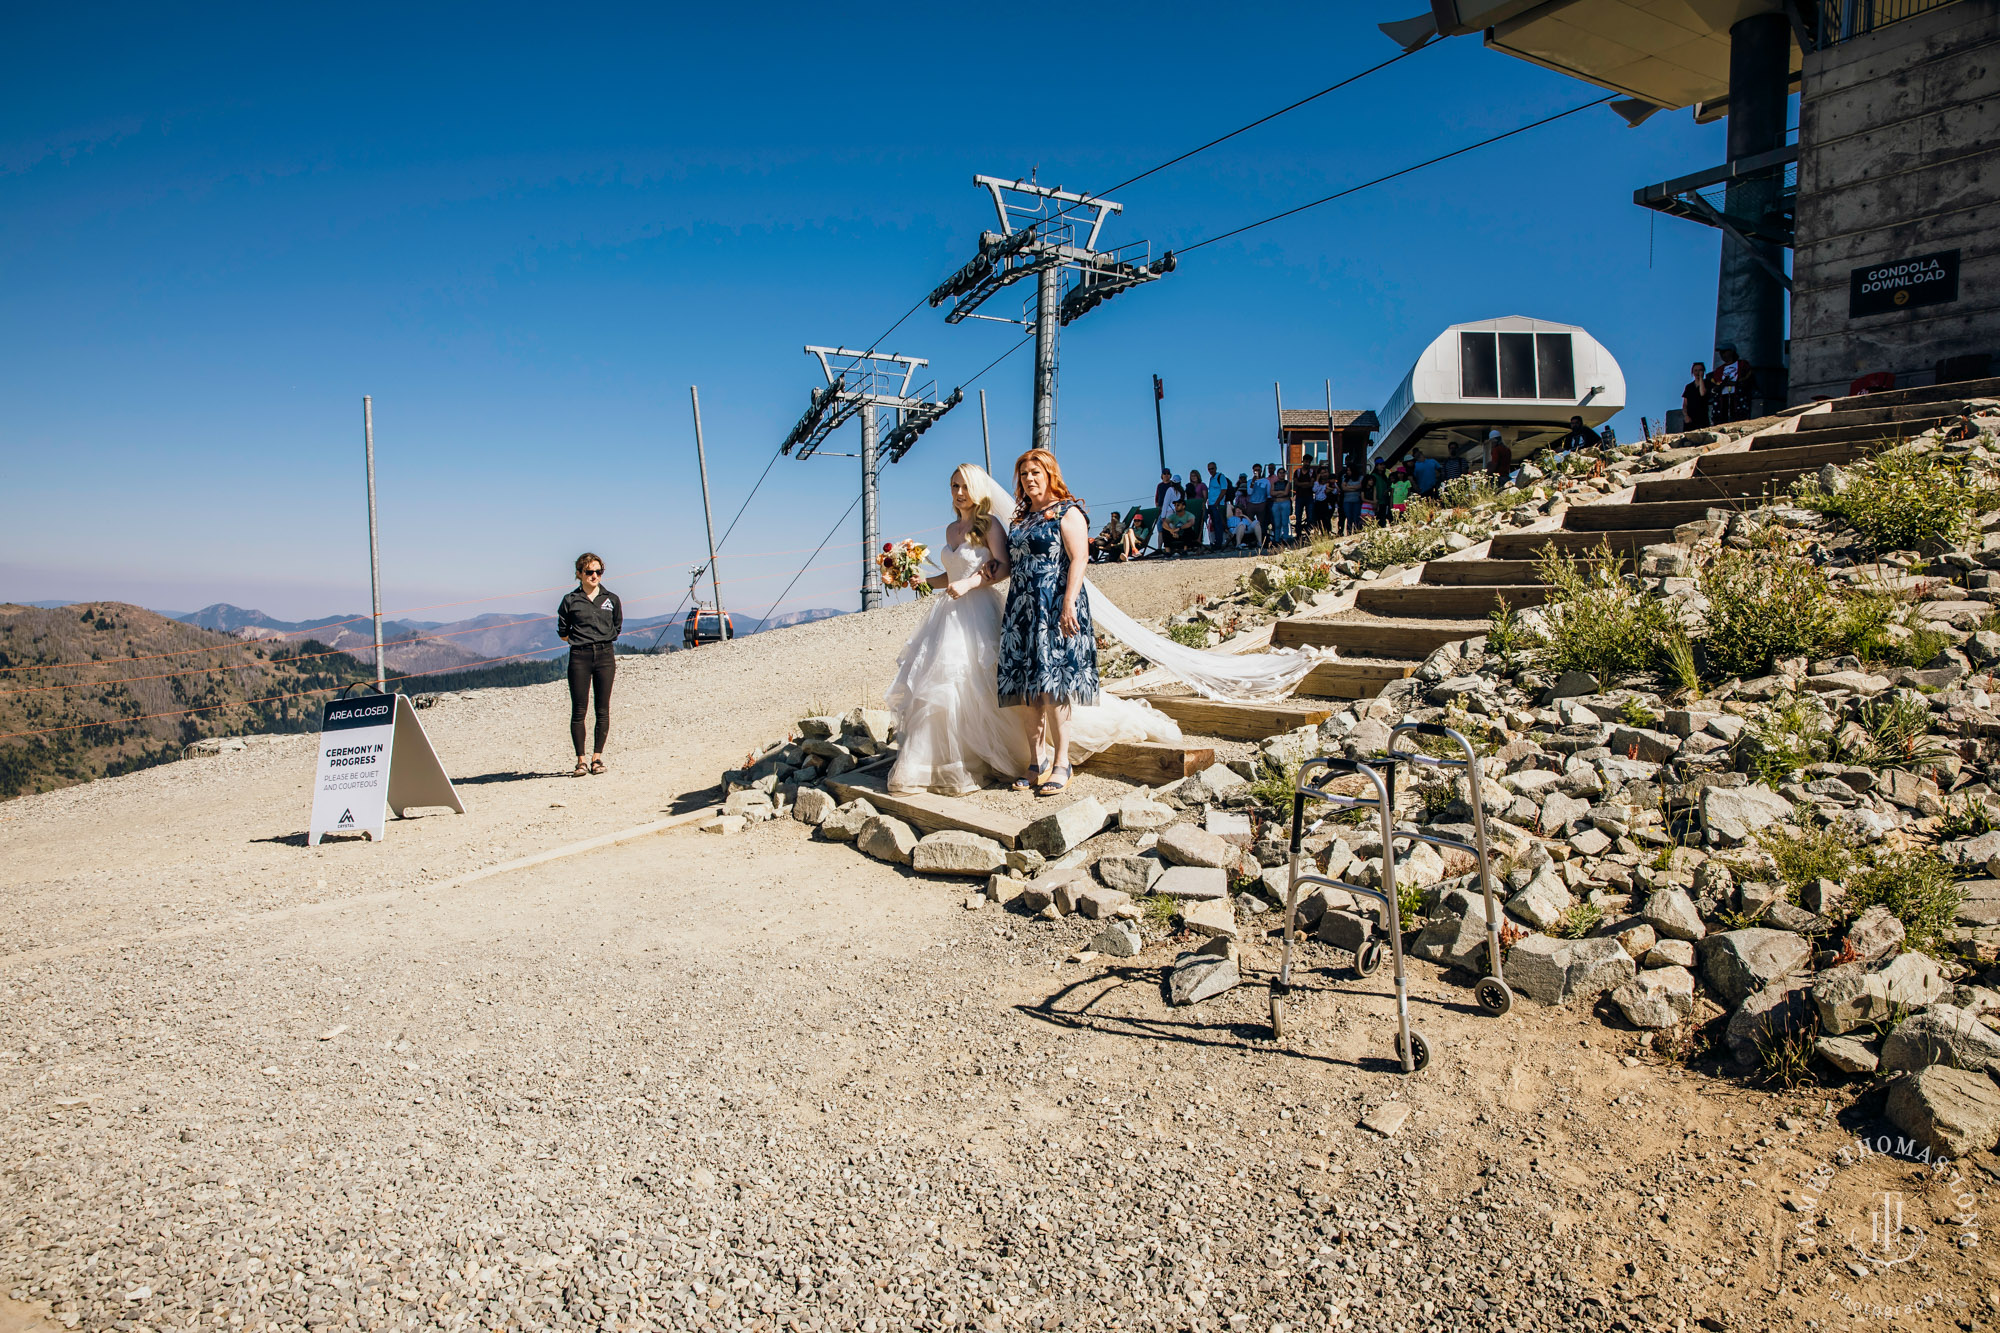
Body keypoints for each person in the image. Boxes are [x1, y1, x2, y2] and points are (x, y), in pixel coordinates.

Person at [883, 463, 1326, 797]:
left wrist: (1068, 600)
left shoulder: (1053, 514)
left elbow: (1062, 560)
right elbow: (1006, 566)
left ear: (1047, 476)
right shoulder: (1015, 520)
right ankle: (1024, 760)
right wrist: (917, 578)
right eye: (1023, 475)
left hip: (1050, 601)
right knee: (1019, 687)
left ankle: (1060, 764)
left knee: (1052, 684)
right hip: (1018, 607)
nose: (1028, 480)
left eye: (1034, 473)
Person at [556, 553, 622, 777]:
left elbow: (617, 626)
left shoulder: (611, 599)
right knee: (579, 709)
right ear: (579, 574)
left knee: (602, 709)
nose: (594, 576)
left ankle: (597, 758)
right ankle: (580, 761)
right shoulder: (570, 601)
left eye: (598, 571)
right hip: (580, 656)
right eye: (589, 572)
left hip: (605, 655)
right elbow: (563, 632)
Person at [1711, 347, 1753, 423]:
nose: (1722, 355)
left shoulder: (1742, 365)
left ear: (1731, 352)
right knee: (1723, 417)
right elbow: (1715, 387)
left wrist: (1735, 384)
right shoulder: (1719, 370)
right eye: (1720, 353)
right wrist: (1722, 385)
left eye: (1724, 352)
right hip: (1723, 397)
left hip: (1738, 396)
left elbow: (1749, 382)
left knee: (1738, 416)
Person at [1204, 461, 1228, 549]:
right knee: (1213, 524)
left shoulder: (1220, 477)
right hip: (1211, 504)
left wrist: (1217, 502)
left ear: (1216, 468)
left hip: (1217, 504)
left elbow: (1223, 490)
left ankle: (1219, 543)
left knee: (1218, 524)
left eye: (1212, 468)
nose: (1211, 470)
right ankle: (1215, 542)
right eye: (1209, 469)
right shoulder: (1211, 479)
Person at [1268, 463, 1293, 545]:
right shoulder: (1274, 484)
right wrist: (1281, 492)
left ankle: (1285, 538)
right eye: (1280, 473)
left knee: (1285, 522)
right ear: (1277, 474)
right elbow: (1271, 493)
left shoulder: (1287, 483)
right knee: (1277, 523)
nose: (1282, 474)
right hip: (1276, 504)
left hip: (1285, 503)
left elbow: (1286, 492)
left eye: (1283, 473)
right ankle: (1277, 539)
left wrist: (1277, 493)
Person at [1340, 463, 1364, 534]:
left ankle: (1356, 532)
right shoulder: (1344, 477)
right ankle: (1349, 532)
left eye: (1349, 470)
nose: (1348, 472)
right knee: (1349, 517)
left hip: (1356, 500)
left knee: (1356, 517)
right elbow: (1343, 488)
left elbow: (1360, 486)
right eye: (1347, 470)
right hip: (1347, 501)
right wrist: (1354, 488)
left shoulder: (1360, 477)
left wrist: (1349, 487)